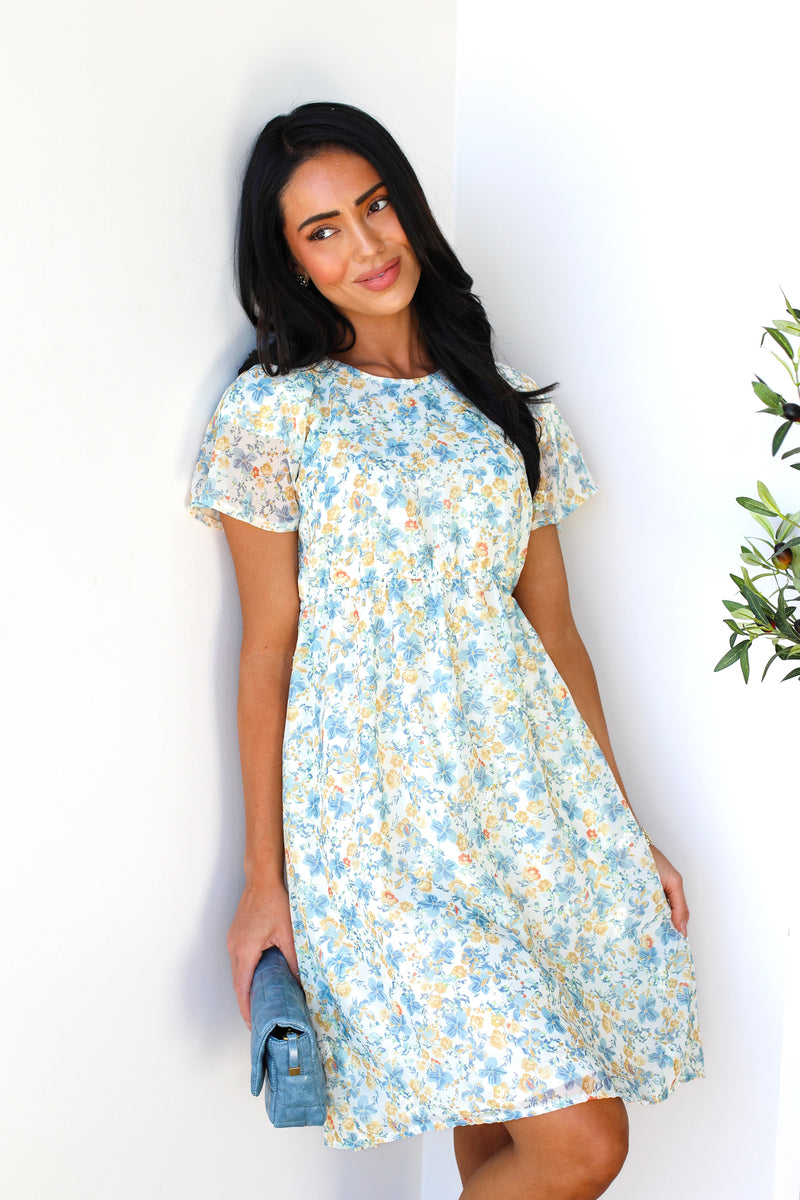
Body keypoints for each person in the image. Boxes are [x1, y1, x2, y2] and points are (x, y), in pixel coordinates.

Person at [188, 101, 702, 1199]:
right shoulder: (275, 414)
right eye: (322, 230)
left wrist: (620, 827)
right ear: (289, 263)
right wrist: (263, 880)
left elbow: (554, 632)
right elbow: (266, 652)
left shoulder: (503, 404)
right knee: (583, 1145)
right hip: (375, 825)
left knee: (506, 1136)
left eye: (376, 207)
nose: (366, 246)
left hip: (518, 801)